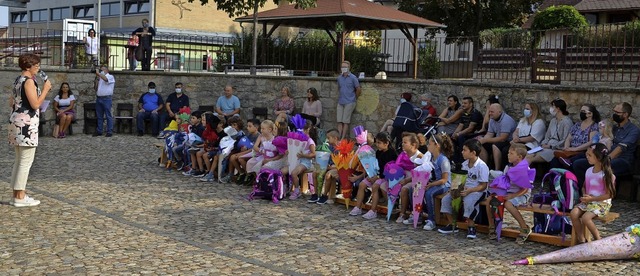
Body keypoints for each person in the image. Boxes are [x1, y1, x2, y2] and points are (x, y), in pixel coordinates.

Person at [8, 53, 51, 207]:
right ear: (28, 66)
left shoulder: (17, 80)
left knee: (19, 160)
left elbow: (11, 102)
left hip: (16, 121)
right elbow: (35, 104)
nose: (38, 68)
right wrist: (45, 89)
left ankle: (16, 195)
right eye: (36, 65)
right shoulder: (28, 82)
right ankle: (20, 197)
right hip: (27, 124)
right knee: (25, 161)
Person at [572, 102, 640, 187]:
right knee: (577, 161)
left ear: (625, 114)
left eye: (617, 112)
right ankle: (583, 191)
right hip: (604, 156)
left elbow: (620, 148)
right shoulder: (613, 128)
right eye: (614, 111)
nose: (614, 114)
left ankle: (595, 193)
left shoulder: (633, 130)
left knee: (589, 165)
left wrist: (606, 159)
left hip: (623, 161)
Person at [438, 139, 489, 239]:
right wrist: (454, 189)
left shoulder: (482, 166)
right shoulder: (464, 165)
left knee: (469, 202)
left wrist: (470, 190)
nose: (462, 152)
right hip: (463, 189)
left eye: (465, 150)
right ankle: (452, 224)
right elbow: (459, 178)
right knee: (446, 199)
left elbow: (484, 185)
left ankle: (471, 226)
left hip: (477, 191)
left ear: (473, 152)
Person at [485, 144, 533, 244]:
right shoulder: (508, 167)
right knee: (489, 199)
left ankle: (524, 228)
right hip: (509, 191)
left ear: (519, 157)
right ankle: (492, 226)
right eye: (508, 153)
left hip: (521, 194)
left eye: (511, 153)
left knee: (508, 203)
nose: (508, 155)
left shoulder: (525, 169)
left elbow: (525, 188)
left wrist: (513, 196)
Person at [570, 143, 615, 243]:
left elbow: (609, 194)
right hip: (589, 201)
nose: (587, 157)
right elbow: (584, 187)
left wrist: (592, 199)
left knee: (586, 218)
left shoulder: (606, 174)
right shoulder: (589, 171)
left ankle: (598, 240)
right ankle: (581, 239)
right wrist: (585, 194)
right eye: (586, 154)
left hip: (602, 203)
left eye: (590, 155)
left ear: (598, 158)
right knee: (573, 213)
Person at [351, 132, 398, 219]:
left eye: (379, 143)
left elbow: (390, 170)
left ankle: (373, 211)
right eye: (376, 142)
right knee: (362, 185)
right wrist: (371, 175)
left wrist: (377, 177)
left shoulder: (392, 154)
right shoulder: (378, 153)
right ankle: (358, 207)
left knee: (375, 186)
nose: (377, 145)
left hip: (385, 177)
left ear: (386, 143)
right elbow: (374, 166)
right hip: (375, 175)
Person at [420, 133, 453, 231]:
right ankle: (419, 214)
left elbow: (444, 179)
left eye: (429, 144)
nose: (427, 145)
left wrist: (431, 184)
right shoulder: (430, 157)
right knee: (415, 188)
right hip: (434, 182)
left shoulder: (443, 160)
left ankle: (432, 220)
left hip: (444, 185)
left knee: (429, 193)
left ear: (436, 145)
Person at [525, 99, 573, 165]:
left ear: (558, 109)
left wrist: (550, 146)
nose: (551, 109)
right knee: (528, 154)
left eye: (553, 106)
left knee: (533, 158)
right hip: (546, 146)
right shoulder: (553, 121)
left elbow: (564, 140)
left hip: (556, 148)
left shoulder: (567, 122)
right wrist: (544, 144)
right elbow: (547, 136)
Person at [478, 103, 516, 170]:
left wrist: (485, 140)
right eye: (489, 111)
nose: (490, 113)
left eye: (492, 112)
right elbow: (490, 134)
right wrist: (482, 140)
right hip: (498, 138)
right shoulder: (492, 119)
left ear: (499, 112)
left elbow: (503, 138)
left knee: (495, 146)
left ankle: (497, 170)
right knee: (480, 144)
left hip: (509, 141)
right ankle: (484, 168)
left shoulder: (506, 120)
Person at [395, 133, 423, 223]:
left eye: (405, 142)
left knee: (404, 189)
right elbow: (397, 166)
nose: (402, 144)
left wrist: (406, 180)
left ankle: (402, 214)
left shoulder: (419, 157)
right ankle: (392, 208)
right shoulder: (403, 154)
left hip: (416, 181)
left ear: (413, 145)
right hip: (405, 178)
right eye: (402, 142)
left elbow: (420, 175)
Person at [289, 121, 317, 200]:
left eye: (303, 129)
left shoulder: (310, 141)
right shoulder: (300, 139)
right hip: (298, 160)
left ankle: (297, 191)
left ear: (307, 130)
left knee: (294, 173)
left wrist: (303, 155)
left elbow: (313, 154)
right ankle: (288, 188)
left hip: (306, 162)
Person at [452, 96, 483, 163]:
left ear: (471, 104)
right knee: (450, 138)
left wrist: (459, 134)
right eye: (462, 103)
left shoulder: (475, 113)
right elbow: (461, 125)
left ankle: (462, 160)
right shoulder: (463, 113)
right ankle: (454, 160)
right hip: (466, 134)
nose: (463, 105)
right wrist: (454, 134)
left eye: (465, 103)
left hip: (474, 134)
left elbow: (470, 128)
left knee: (460, 137)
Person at [336, 60, 361, 139]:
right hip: (341, 101)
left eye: (345, 67)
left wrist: (354, 98)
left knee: (345, 121)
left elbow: (358, 89)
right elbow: (339, 88)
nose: (343, 68)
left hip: (350, 101)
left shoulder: (353, 78)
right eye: (342, 67)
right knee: (339, 120)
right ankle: (339, 136)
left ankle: (343, 138)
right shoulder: (339, 78)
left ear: (349, 68)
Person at [94, 64, 115, 137]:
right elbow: (95, 88)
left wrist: (99, 74)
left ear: (107, 70)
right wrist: (97, 79)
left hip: (106, 99)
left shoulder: (110, 77)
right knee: (99, 116)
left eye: (103, 70)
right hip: (99, 98)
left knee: (108, 115)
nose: (101, 71)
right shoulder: (100, 77)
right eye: (100, 70)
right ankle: (99, 130)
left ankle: (109, 131)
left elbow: (106, 80)